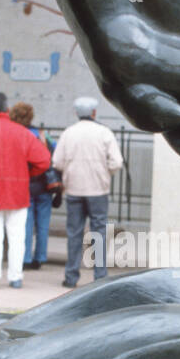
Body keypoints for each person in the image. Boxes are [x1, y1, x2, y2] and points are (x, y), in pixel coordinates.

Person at [0, 91, 50, 290]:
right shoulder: (21, 132)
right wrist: (28, 174)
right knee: (17, 237)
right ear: (7, 109)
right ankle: (16, 277)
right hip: (18, 191)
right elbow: (44, 160)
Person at [53, 97, 123, 289]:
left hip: (74, 189)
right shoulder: (104, 133)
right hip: (98, 190)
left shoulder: (68, 133)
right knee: (98, 232)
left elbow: (57, 162)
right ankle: (99, 277)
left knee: (74, 233)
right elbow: (117, 162)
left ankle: (71, 276)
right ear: (94, 113)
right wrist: (104, 172)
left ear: (77, 113)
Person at [9, 101, 58, 270]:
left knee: (26, 223)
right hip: (44, 184)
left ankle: (25, 258)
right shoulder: (43, 134)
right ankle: (40, 257)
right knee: (43, 224)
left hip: (25, 183)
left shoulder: (15, 134)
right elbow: (54, 153)